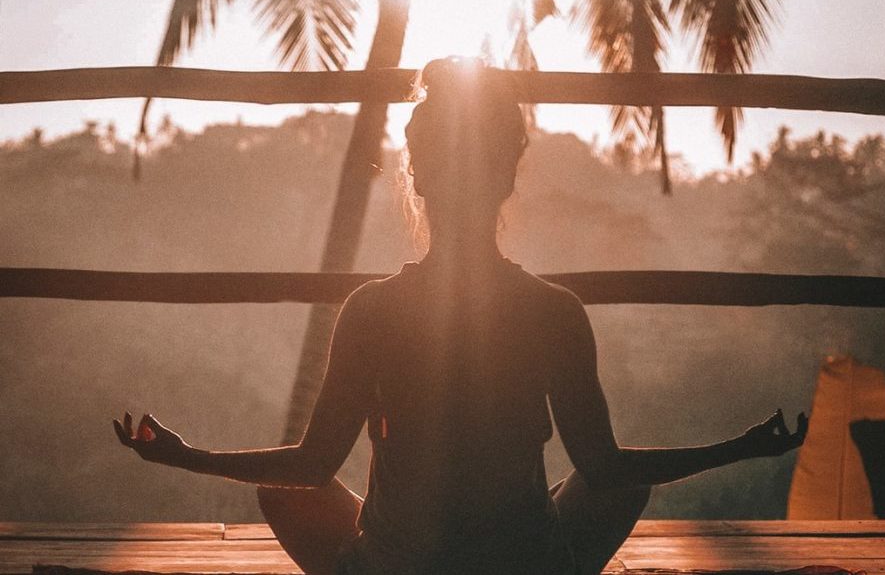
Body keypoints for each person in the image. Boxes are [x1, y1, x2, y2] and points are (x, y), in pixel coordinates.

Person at [114, 57, 808, 575]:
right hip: (522, 565)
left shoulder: (373, 309)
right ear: (509, 174)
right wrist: (740, 447)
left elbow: (312, 462)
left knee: (283, 492)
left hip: (398, 567)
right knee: (619, 484)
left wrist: (188, 455)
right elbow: (604, 464)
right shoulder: (552, 311)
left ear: (416, 174)